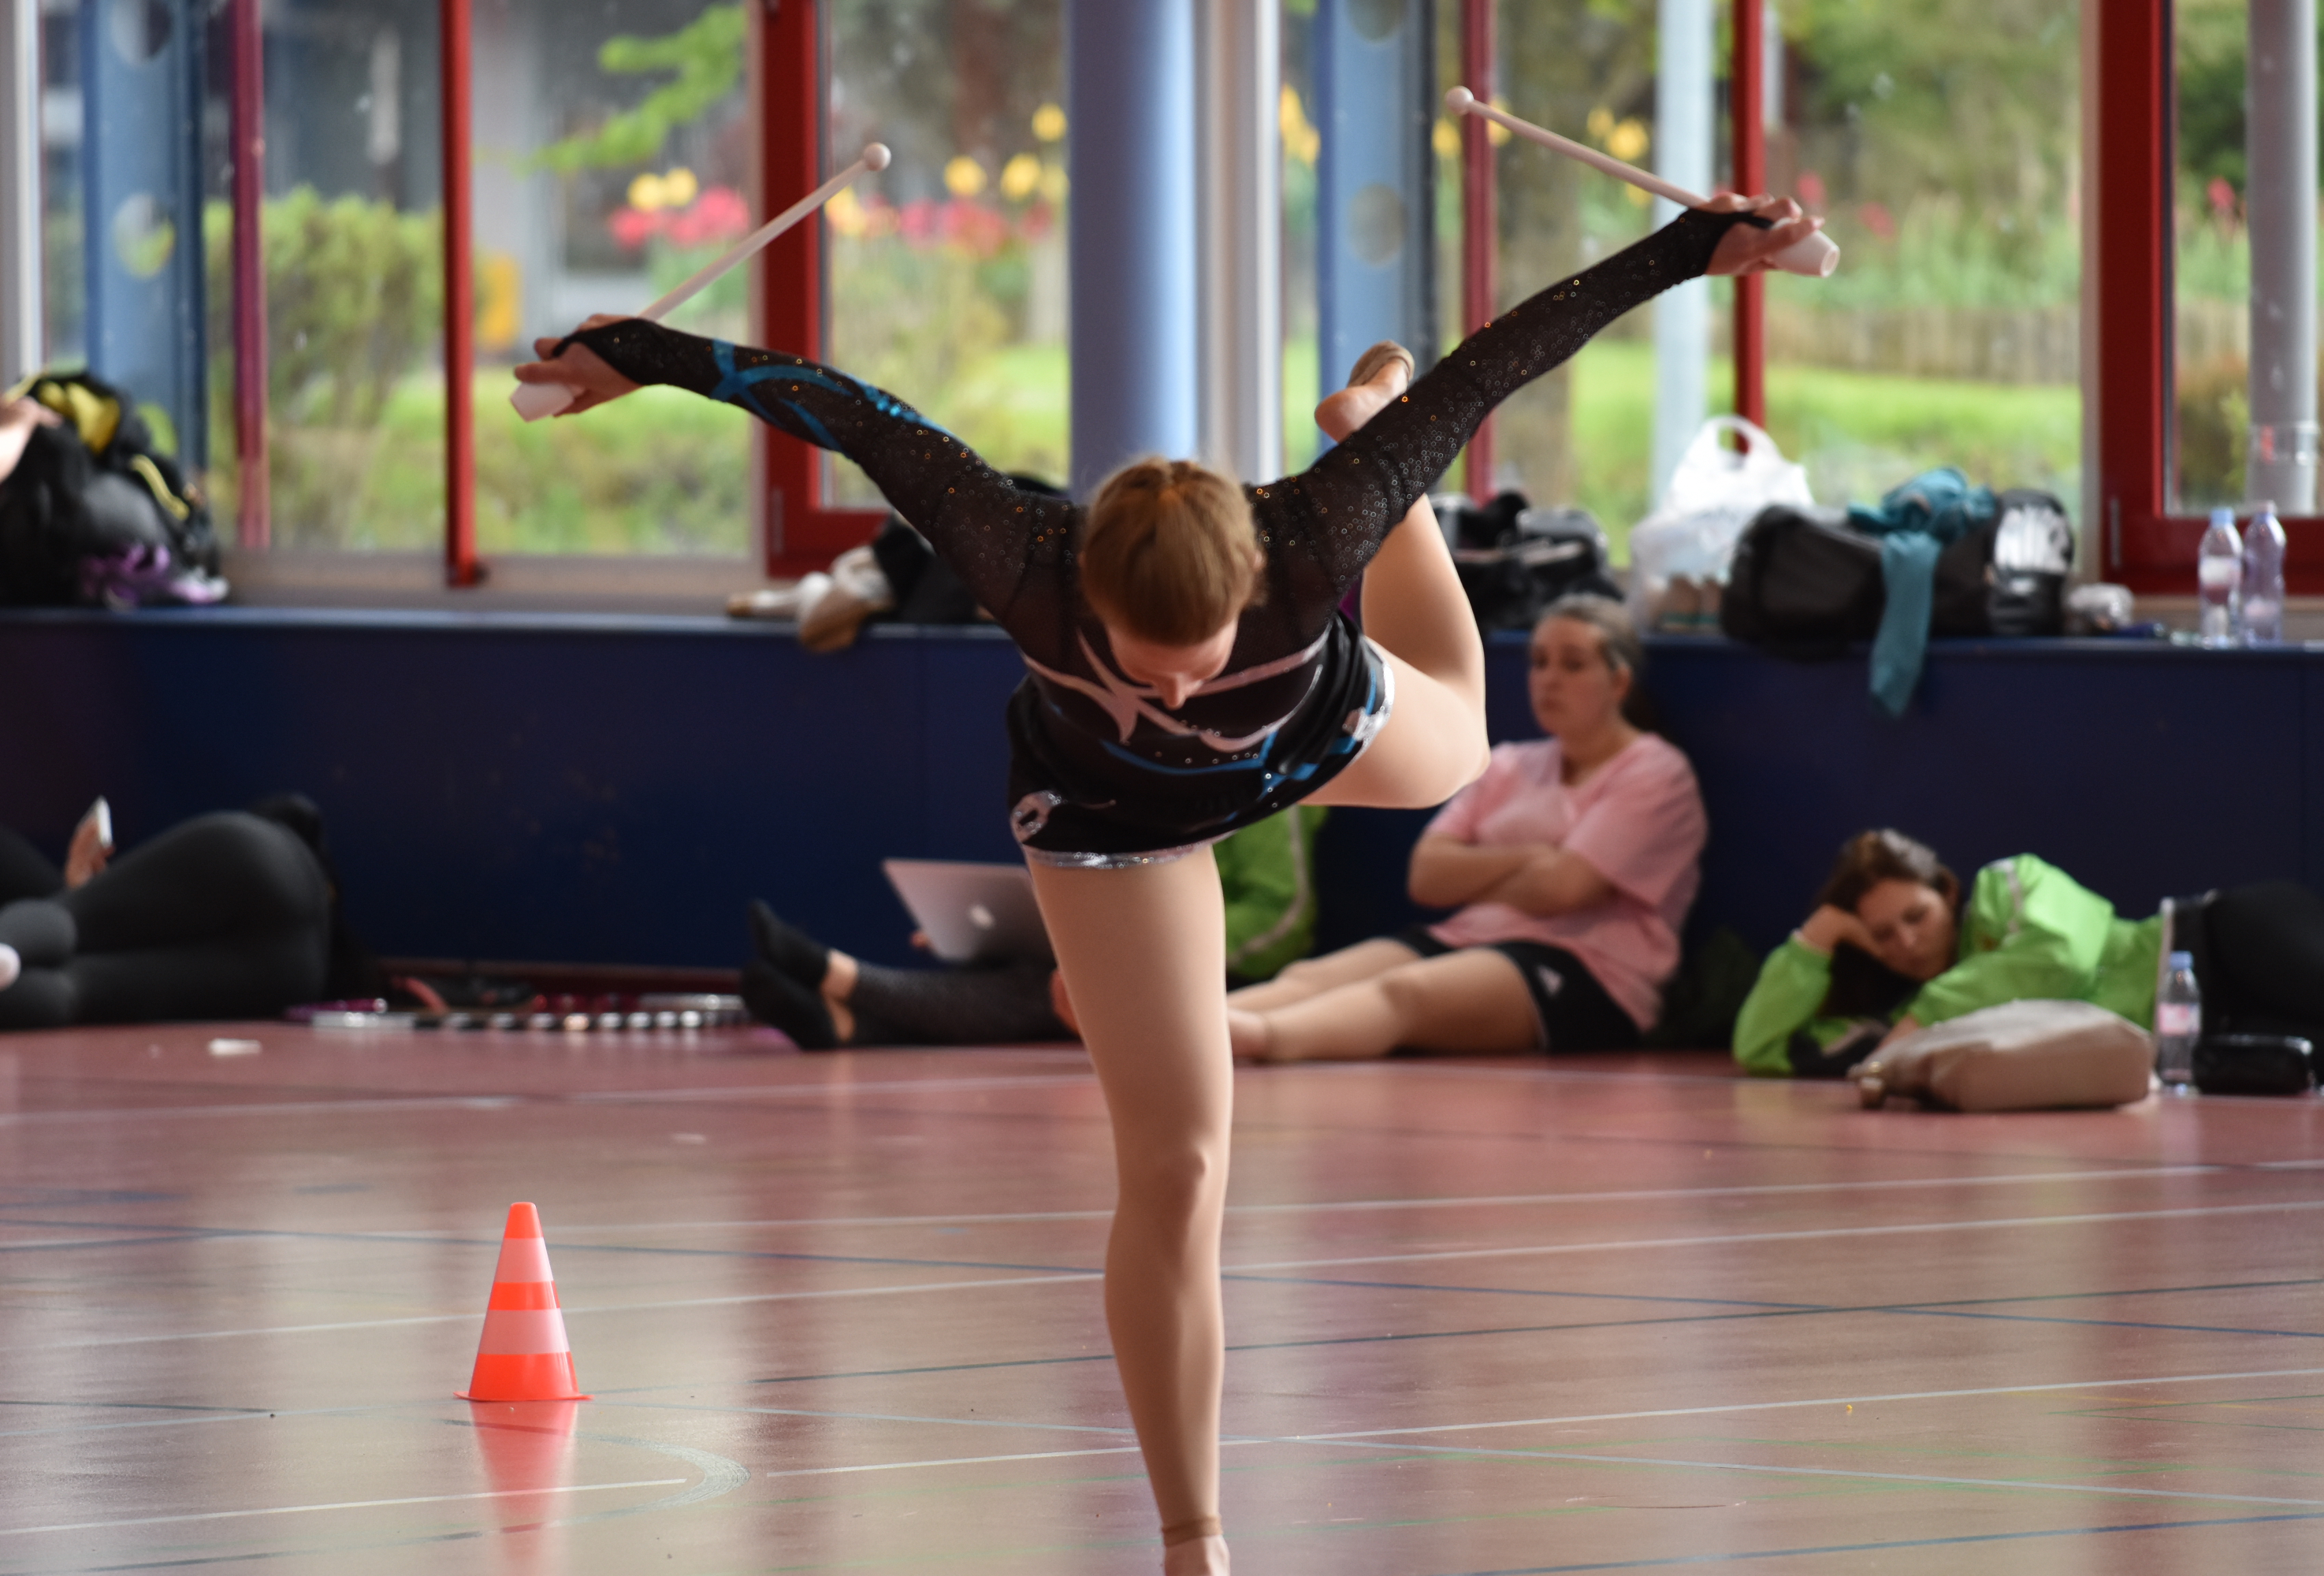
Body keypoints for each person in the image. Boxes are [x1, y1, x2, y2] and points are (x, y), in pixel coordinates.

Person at [518, 193, 1816, 1576]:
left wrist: (1701, 246)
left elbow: (1509, 354)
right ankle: (1194, 1535)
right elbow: (838, 405)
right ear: (1090, 586)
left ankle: (1369, 424)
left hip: (1319, 737)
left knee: (1457, 742)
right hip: (1108, 817)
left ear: (1251, 580)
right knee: (1182, 1164)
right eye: (1148, 664)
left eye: (1197, 662)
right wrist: (635, 353)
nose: (1178, 691)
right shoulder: (1017, 552)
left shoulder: (1312, 533)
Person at [1225, 596, 1703, 1061]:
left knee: (1406, 991)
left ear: (1619, 681)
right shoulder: (1511, 762)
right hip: (1471, 935)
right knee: (1309, 980)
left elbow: (1563, 889)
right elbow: (1428, 877)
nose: (1549, 679)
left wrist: (1485, 873)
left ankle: (1248, 1040)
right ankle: (1195, 1031)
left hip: (1589, 968)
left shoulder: (1657, 772)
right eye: (1539, 662)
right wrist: (1535, 857)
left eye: (1573, 665)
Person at [1735, 828, 2324, 1084]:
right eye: (1880, 935)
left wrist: (1930, 1012)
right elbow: (1759, 1048)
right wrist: (1815, 938)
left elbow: (2063, 956)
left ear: (1947, 893)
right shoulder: (1895, 1018)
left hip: (2215, 943)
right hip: (2203, 1045)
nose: (1904, 943)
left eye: (1916, 917)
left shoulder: (2006, 885)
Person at [742, 803, 1328, 1048]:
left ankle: (848, 985)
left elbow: (1281, 916)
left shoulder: (1271, 792)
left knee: (1047, 985)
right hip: (1134, 949)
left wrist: (1168, 953)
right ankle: (849, 1022)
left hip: (1221, 974)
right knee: (1041, 967)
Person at [0, 795, 371, 1030]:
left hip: (272, 872)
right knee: (78, 980)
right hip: (294, 969)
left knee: (76, 949)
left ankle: (11, 941)